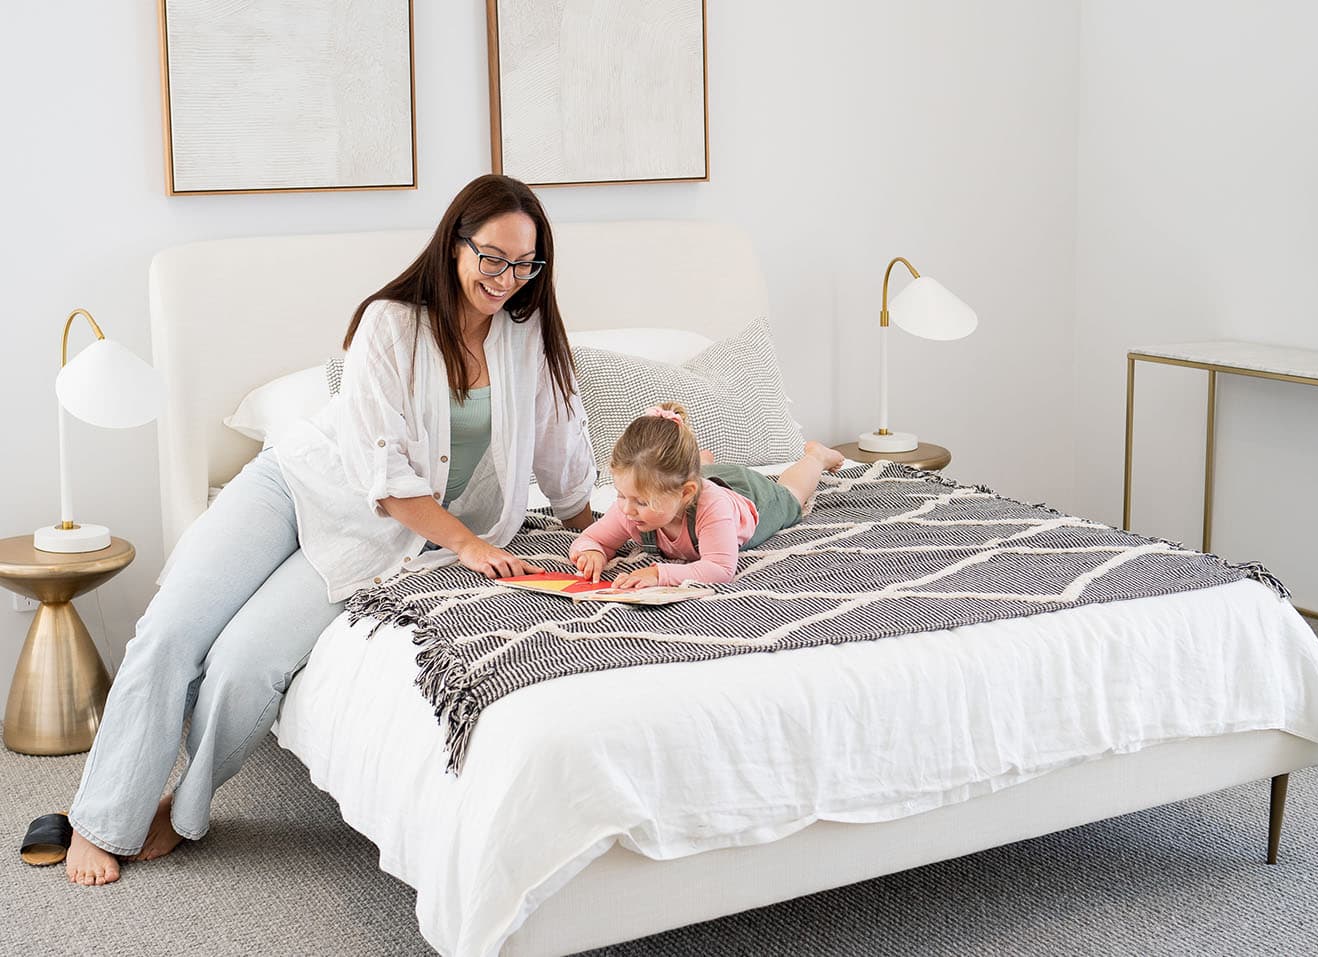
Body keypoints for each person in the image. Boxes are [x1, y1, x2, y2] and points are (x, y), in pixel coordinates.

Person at [63, 174, 595, 885]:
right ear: (455, 244)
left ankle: (179, 810)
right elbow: (386, 473)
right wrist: (468, 544)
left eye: (525, 264)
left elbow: (560, 450)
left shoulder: (528, 339)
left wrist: (598, 532)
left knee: (245, 665)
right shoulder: (390, 323)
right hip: (296, 485)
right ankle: (99, 819)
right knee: (170, 632)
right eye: (492, 258)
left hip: (377, 538)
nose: (507, 279)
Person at [569, 403, 844, 588]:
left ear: (685, 493)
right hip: (697, 479)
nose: (627, 509)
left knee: (791, 496)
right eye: (620, 495)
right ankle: (703, 462)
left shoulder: (712, 508)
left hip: (746, 496)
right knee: (686, 476)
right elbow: (590, 539)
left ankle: (816, 457)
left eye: (643, 502)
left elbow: (720, 569)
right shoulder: (632, 506)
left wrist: (658, 574)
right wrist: (591, 553)